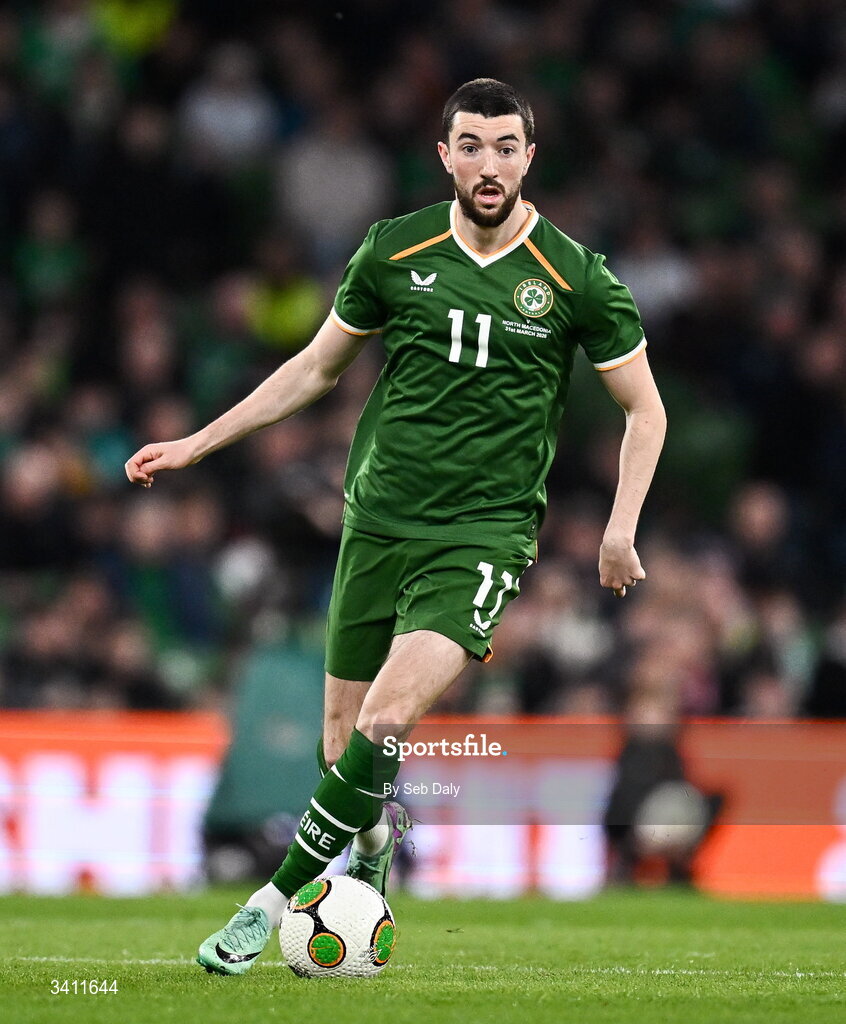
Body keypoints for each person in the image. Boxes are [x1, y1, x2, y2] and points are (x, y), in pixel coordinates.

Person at [125, 78, 666, 975]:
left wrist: (620, 528)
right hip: (377, 524)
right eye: (470, 145)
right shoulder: (392, 250)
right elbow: (313, 370)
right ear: (443, 154)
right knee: (339, 746)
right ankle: (373, 845)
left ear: (530, 158)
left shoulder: (579, 277)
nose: (487, 163)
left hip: (483, 538)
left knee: (383, 719)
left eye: (505, 147)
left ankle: (268, 902)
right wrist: (198, 442)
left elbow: (644, 410)